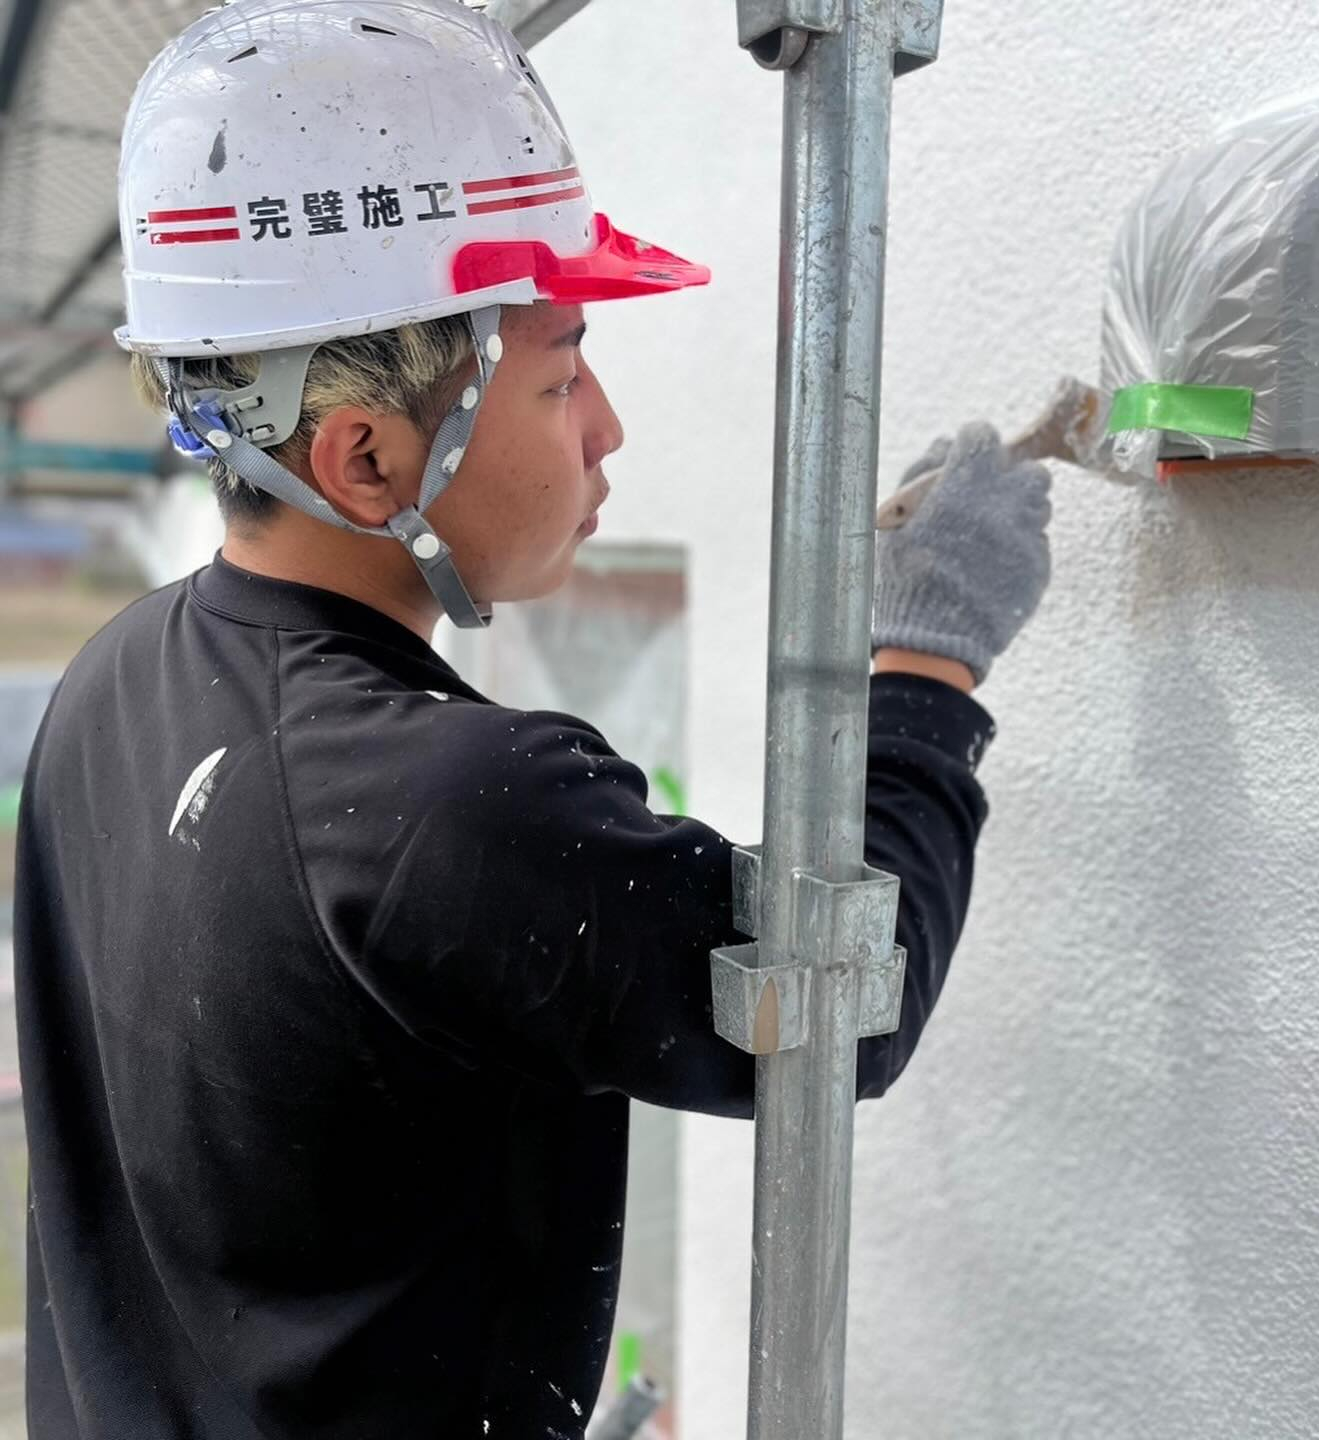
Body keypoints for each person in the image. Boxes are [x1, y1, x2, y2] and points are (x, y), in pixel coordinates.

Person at [13, 1, 1052, 1435]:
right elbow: (838, 1016)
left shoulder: (112, 681)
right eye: (562, 375)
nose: (607, 426)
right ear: (365, 457)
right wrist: (926, 668)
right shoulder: (450, 804)